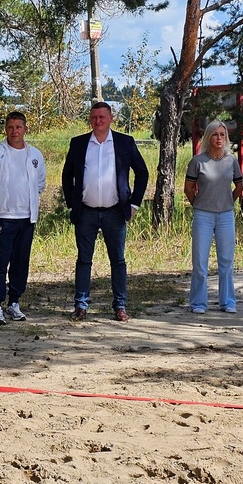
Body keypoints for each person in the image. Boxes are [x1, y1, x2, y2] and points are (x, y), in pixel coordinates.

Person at [61, 101, 149, 322]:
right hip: (86, 212)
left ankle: (120, 306)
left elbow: (142, 173)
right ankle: (80, 306)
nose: (97, 121)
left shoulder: (124, 142)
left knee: (118, 260)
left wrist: (134, 204)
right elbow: (67, 175)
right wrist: (73, 204)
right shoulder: (79, 143)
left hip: (115, 212)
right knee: (84, 260)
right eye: (93, 117)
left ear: (111, 118)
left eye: (101, 117)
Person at [0, 111, 47, 326]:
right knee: (1, 262)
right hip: (3, 217)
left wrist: (29, 201)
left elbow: (40, 184)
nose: (14, 131)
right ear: (5, 129)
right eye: (10, 127)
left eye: (18, 127)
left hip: (27, 217)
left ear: (25, 129)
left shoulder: (34, 155)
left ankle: (14, 302)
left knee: (20, 262)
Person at [184, 121, 243, 314]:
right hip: (203, 215)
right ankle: (198, 303)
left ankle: (227, 302)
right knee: (200, 262)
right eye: (215, 134)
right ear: (208, 137)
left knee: (226, 261)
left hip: (226, 215)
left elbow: (239, 187)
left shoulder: (231, 161)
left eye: (222, 134)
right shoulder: (198, 161)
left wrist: (228, 202)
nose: (219, 138)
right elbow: (188, 189)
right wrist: (200, 204)